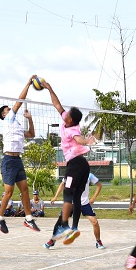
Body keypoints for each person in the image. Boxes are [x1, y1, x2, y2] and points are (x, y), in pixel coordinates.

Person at [42, 80, 97, 242]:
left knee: (67, 193)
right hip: (83, 165)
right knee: (76, 196)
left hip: (75, 165)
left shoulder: (73, 129)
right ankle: (74, 228)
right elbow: (57, 105)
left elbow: (79, 139)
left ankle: (65, 226)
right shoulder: (67, 120)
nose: (65, 115)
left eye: (68, 115)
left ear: (71, 120)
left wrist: (87, 141)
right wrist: (49, 88)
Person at [0, 78, 41, 233]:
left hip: (17, 159)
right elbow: (19, 101)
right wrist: (28, 84)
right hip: (8, 160)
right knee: (9, 192)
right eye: (8, 109)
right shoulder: (8, 119)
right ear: (4, 114)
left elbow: (31, 134)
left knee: (25, 190)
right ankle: (0, 217)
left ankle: (28, 218)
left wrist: (30, 119)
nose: (11, 110)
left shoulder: (17, 126)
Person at [45, 171, 105, 249]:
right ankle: (52, 240)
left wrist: (93, 198)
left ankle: (98, 241)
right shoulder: (70, 175)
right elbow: (62, 184)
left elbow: (99, 185)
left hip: (84, 203)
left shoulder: (88, 175)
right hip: (71, 203)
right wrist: (56, 197)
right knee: (60, 221)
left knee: (95, 222)